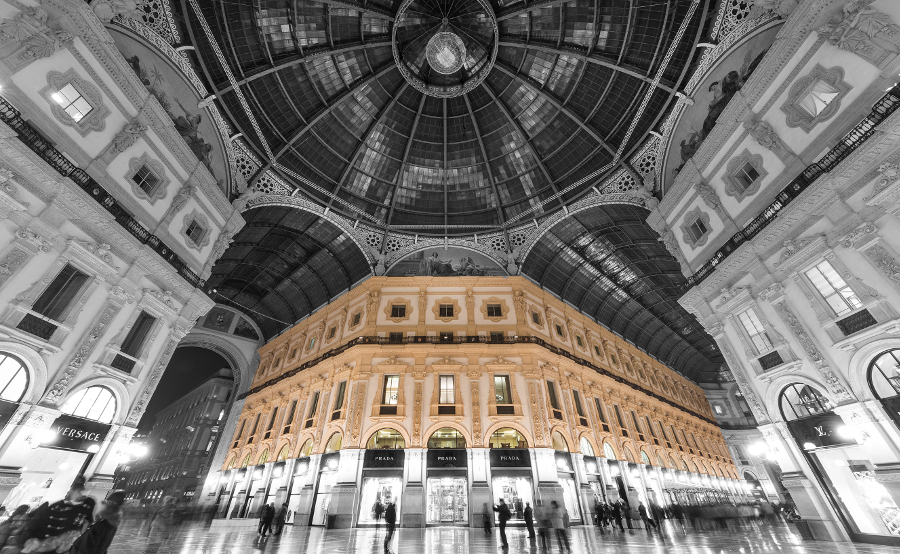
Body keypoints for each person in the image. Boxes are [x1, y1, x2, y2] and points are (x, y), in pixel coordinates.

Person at [21, 476, 94, 554]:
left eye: (76, 487)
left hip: (60, 548)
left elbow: (85, 525)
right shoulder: (54, 504)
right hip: (40, 545)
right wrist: (30, 540)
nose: (70, 490)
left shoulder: (87, 505)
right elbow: (35, 522)